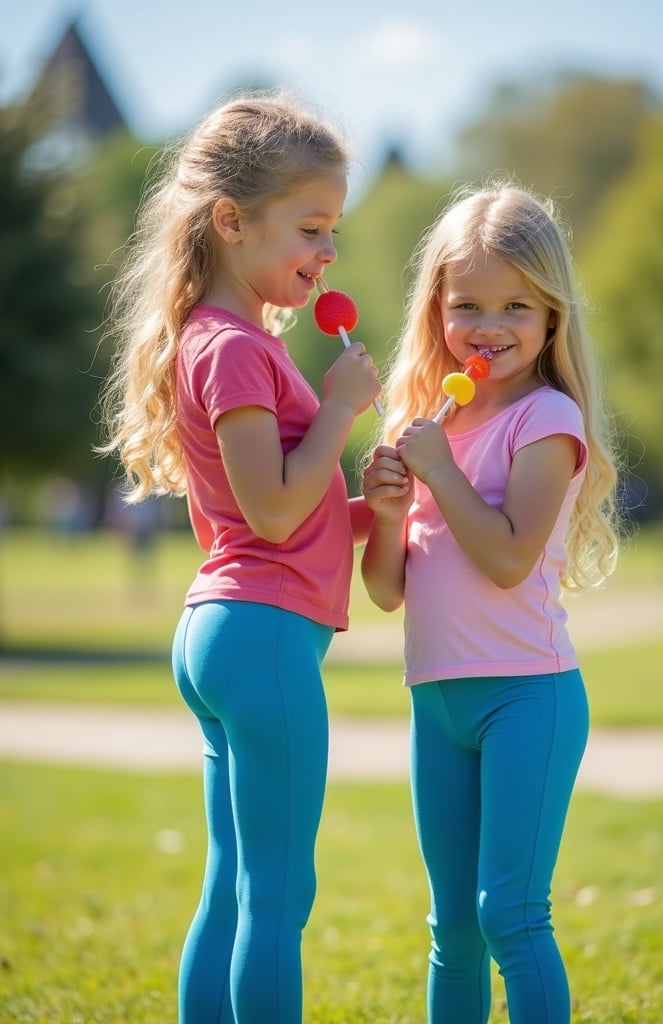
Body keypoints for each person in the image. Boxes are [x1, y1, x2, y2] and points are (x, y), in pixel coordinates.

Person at [98, 91, 381, 1024]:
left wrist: (367, 506)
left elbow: (289, 510)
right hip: (261, 639)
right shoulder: (230, 350)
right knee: (277, 898)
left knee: (232, 889)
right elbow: (268, 509)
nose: (328, 253)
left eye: (332, 229)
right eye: (310, 227)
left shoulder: (231, 342)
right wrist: (340, 410)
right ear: (231, 222)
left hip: (228, 631)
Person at [361, 180, 620, 1024]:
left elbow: (509, 557)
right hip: (435, 699)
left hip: (525, 697)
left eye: (517, 305)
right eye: (468, 303)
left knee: (508, 913)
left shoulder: (547, 419)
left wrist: (437, 472)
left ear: (552, 320)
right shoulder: (430, 421)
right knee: (453, 930)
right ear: (436, 309)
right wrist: (391, 514)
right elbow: (388, 590)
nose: (490, 326)